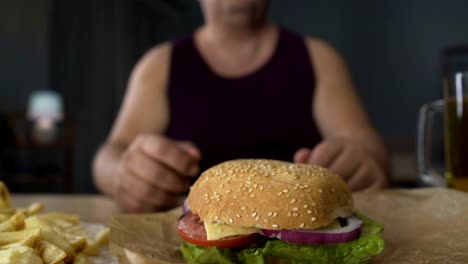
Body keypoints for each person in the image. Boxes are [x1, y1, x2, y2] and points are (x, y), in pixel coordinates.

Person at [93, 0, 389, 213]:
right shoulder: (159, 64)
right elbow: (111, 152)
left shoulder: (319, 58)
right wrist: (124, 173)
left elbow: (367, 146)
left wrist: (362, 162)